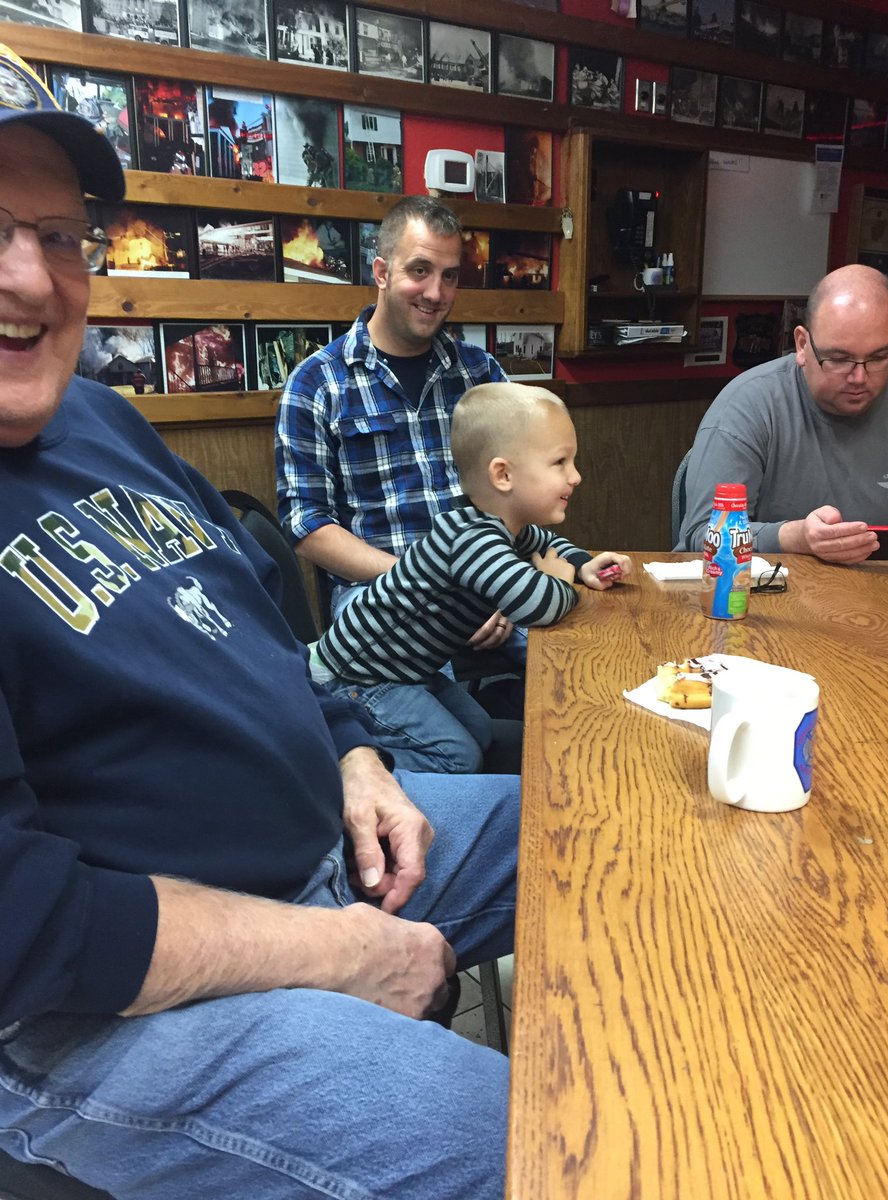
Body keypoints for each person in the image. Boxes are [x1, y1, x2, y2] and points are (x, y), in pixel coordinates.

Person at [0, 44, 517, 1199]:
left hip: (327, 845)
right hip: (97, 1001)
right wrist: (340, 952)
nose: (31, 280)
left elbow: (265, 625)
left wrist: (355, 754)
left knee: (588, 831)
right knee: (544, 1143)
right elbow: (20, 925)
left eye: (60, 236)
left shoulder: (98, 418)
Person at [310, 384, 631, 773]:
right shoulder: (471, 540)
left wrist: (584, 566)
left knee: (479, 731)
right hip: (359, 677)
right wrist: (560, 579)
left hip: (406, 670)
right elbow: (537, 606)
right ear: (503, 474)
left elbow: (547, 543)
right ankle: (342, 767)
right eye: (560, 462)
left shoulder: (502, 527)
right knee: (459, 756)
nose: (575, 476)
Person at [276, 193, 518, 658]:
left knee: (580, 660)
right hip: (378, 592)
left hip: (485, 585)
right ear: (382, 273)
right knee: (435, 703)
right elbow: (306, 526)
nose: (436, 293)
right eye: (420, 270)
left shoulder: (480, 372)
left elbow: (519, 487)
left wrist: (506, 579)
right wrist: (422, 581)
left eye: (449, 276)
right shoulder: (317, 383)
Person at [677, 265, 888, 565]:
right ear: (802, 345)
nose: (859, 377)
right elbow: (701, 536)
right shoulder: (749, 406)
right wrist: (795, 537)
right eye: (838, 358)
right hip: (773, 588)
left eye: (879, 357)